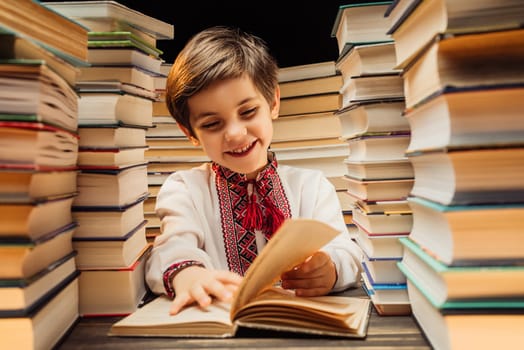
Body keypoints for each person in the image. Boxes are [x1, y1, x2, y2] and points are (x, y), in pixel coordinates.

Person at [145, 26, 363, 315]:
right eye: (212, 124)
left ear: (273, 102)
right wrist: (189, 276)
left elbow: (347, 251)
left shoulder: (312, 186)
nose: (235, 134)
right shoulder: (184, 189)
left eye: (248, 112)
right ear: (190, 132)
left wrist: (330, 268)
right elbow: (170, 249)